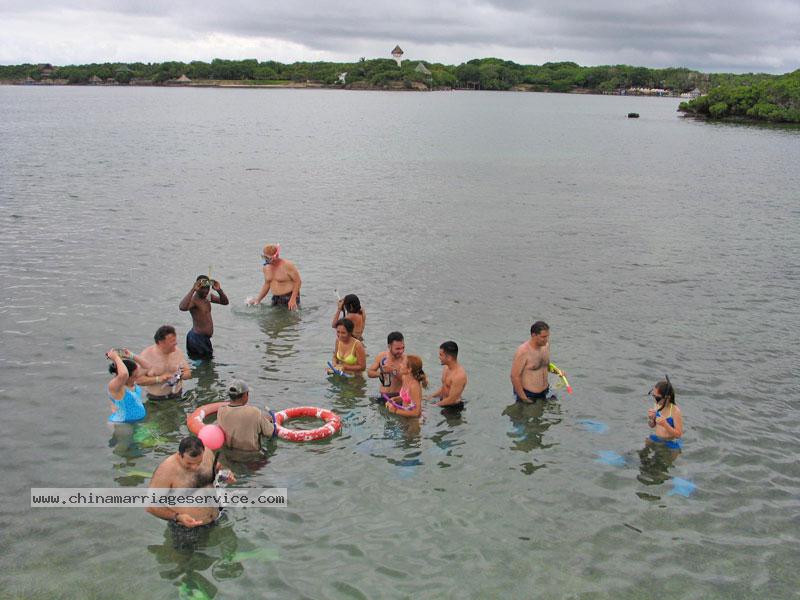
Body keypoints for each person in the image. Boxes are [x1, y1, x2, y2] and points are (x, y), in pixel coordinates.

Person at [147, 436, 235, 535]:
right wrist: (177, 517)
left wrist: (225, 475)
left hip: (218, 516)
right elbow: (151, 506)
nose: (194, 467)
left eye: (199, 462)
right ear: (179, 455)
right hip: (186, 528)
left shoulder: (207, 453)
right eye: (189, 463)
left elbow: (217, 469)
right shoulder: (166, 471)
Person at [510, 321, 563, 403]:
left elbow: (545, 365)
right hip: (529, 394)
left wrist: (557, 372)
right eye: (543, 337)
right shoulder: (523, 351)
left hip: (545, 391)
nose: (546, 339)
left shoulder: (546, 346)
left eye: (547, 336)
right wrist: (524, 398)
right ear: (533, 335)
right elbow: (514, 376)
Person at [216, 380, 276, 452]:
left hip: (228, 454)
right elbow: (270, 432)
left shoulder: (221, 411)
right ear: (245, 395)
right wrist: (268, 420)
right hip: (252, 456)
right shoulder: (255, 412)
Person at [179, 275, 229, 360]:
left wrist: (219, 290)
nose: (205, 290)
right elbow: (182, 307)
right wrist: (193, 290)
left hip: (204, 339)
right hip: (197, 338)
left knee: (205, 363)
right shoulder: (194, 300)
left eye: (207, 288)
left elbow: (225, 302)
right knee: (205, 363)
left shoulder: (207, 297)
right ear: (197, 287)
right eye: (202, 288)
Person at [138, 325, 192, 400]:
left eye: (175, 340)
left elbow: (188, 373)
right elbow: (138, 380)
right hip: (156, 399)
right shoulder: (146, 356)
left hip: (177, 395)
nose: (175, 343)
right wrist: (158, 379)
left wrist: (179, 376)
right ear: (161, 342)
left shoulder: (177, 352)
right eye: (172, 341)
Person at [248, 243, 301, 310]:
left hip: (289, 297)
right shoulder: (266, 268)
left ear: (276, 256)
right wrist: (258, 299)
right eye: (264, 257)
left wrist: (293, 299)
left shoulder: (288, 265)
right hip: (275, 298)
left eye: (268, 258)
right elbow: (267, 284)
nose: (266, 260)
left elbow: (298, 281)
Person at [106, 348, 151, 423]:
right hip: (123, 424)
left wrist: (131, 356)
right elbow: (124, 374)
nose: (137, 376)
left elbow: (148, 366)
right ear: (127, 377)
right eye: (135, 375)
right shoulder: (116, 387)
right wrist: (116, 358)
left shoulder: (132, 380)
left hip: (137, 422)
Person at [426, 341, 468, 409]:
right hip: (443, 401)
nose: (439, 357)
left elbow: (452, 399)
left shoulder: (459, 376)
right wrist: (430, 397)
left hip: (453, 408)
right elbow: (444, 387)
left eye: (441, 355)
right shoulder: (446, 368)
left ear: (449, 358)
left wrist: (432, 406)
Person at [367, 331, 407, 399]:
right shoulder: (381, 356)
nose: (401, 351)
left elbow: (407, 381)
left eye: (403, 348)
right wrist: (380, 374)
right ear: (389, 346)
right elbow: (370, 373)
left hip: (397, 397)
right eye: (397, 349)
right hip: (382, 394)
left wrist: (392, 371)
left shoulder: (406, 360)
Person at [647, 376, 683, 450]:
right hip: (658, 438)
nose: (654, 400)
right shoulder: (657, 405)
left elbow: (678, 435)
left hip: (671, 443)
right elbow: (652, 425)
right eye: (653, 395)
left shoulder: (675, 411)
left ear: (667, 398)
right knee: (646, 443)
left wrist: (665, 425)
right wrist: (651, 419)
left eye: (657, 398)